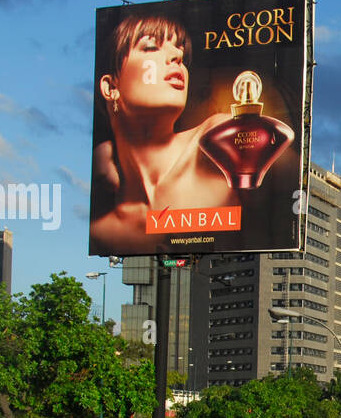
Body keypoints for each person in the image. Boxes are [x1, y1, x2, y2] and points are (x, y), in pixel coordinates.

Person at [89, 13, 234, 255]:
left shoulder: (219, 139)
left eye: (181, 53)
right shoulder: (102, 232)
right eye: (151, 47)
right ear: (111, 87)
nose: (177, 57)